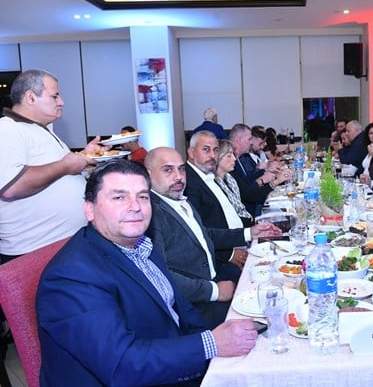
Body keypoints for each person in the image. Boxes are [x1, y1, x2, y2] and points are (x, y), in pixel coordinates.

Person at [36, 159, 258, 386]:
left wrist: (217, 338)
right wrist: (210, 344)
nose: (135, 206)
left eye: (143, 197)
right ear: (89, 209)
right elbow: (122, 366)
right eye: (119, 197)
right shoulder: (72, 276)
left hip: (168, 363)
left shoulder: (141, 245)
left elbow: (182, 311)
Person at [146, 147, 281, 327]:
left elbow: (204, 234)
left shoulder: (177, 199)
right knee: (267, 317)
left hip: (212, 280)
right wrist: (214, 291)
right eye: (168, 170)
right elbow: (159, 274)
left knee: (272, 287)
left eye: (181, 169)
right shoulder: (150, 215)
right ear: (148, 174)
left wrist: (250, 232)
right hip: (193, 306)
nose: (178, 176)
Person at [0, 69, 106, 260]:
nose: (61, 102)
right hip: (35, 251)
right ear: (31, 97)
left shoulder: (43, 129)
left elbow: (57, 175)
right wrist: (65, 166)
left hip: (63, 244)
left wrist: (84, 158)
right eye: (55, 96)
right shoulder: (7, 129)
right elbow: (11, 187)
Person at [184, 131, 252, 264]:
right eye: (206, 149)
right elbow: (196, 231)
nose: (212, 155)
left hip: (236, 241)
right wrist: (230, 255)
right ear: (191, 152)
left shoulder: (207, 175)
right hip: (220, 257)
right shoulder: (188, 182)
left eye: (215, 150)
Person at [229, 124, 291, 216]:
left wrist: (266, 171)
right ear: (239, 140)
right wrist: (266, 179)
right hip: (250, 210)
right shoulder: (231, 162)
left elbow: (247, 180)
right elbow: (247, 192)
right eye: (249, 139)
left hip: (254, 203)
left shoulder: (244, 157)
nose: (251, 143)